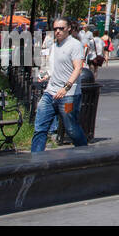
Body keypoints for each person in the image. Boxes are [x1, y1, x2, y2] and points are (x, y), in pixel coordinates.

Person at [30, 17, 88, 152]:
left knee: (71, 128)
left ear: (68, 28)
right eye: (55, 28)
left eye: (61, 28)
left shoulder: (75, 45)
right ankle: (35, 162)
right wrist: (46, 76)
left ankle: (85, 155)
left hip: (69, 96)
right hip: (50, 94)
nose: (58, 31)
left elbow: (78, 68)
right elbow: (54, 68)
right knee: (40, 128)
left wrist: (66, 87)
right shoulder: (54, 46)